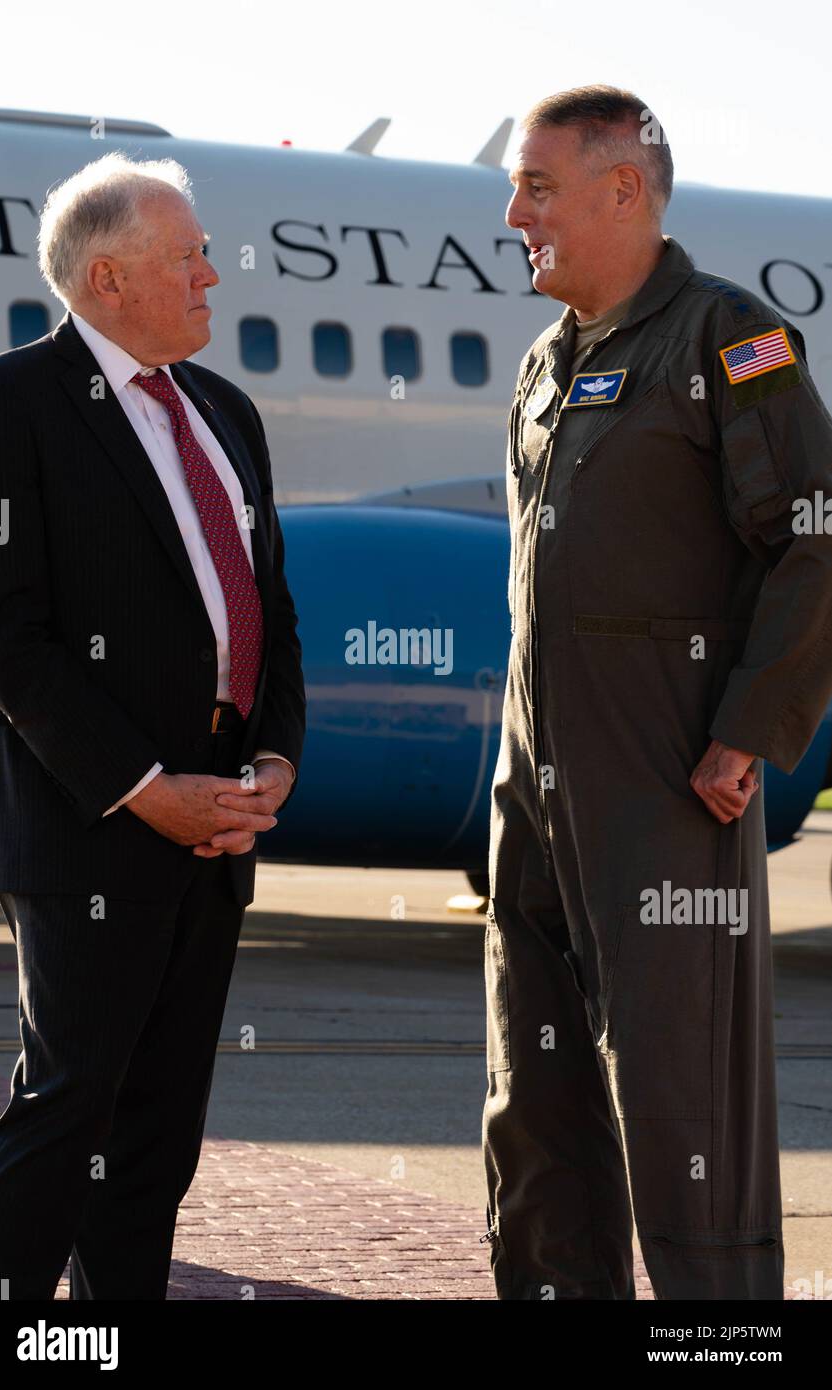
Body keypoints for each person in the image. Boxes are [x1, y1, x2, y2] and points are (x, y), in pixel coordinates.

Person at [482, 84, 832, 1300]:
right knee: (533, 1092)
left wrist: (747, 731)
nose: (512, 210)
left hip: (666, 775)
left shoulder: (729, 337)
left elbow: (815, 536)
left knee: (685, 1102)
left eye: (534, 186)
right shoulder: (542, 365)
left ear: (621, 187)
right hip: (533, 781)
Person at [0, 152, 305, 1299]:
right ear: (107, 278)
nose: (215, 273)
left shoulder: (227, 411)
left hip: (216, 823)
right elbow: (5, 639)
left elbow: (268, 608)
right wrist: (143, 786)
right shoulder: (4, 403)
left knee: (156, 1143)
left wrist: (271, 755)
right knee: (67, 1113)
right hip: (89, 823)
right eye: (188, 257)